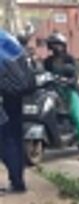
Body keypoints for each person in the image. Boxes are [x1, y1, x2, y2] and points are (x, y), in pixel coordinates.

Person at [43, 33, 79, 158]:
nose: (55, 47)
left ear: (63, 45)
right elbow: (43, 75)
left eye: (57, 44)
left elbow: (74, 77)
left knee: (76, 116)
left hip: (70, 91)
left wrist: (67, 81)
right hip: (54, 91)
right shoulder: (47, 61)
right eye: (52, 44)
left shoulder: (69, 59)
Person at [0, 28, 29, 193]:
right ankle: (18, 181)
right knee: (15, 137)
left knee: (5, 139)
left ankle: (17, 181)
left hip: (3, 93)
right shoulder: (6, 36)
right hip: (15, 92)